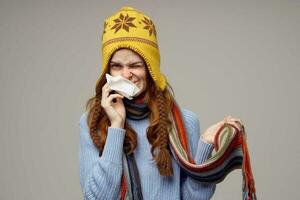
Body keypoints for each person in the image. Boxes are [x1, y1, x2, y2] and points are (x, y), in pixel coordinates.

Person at [79, 6, 242, 200]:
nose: (125, 74)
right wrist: (116, 126)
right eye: (116, 66)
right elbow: (97, 198)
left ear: (150, 69)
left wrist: (205, 146)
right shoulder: (91, 122)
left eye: (135, 65)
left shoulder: (184, 121)